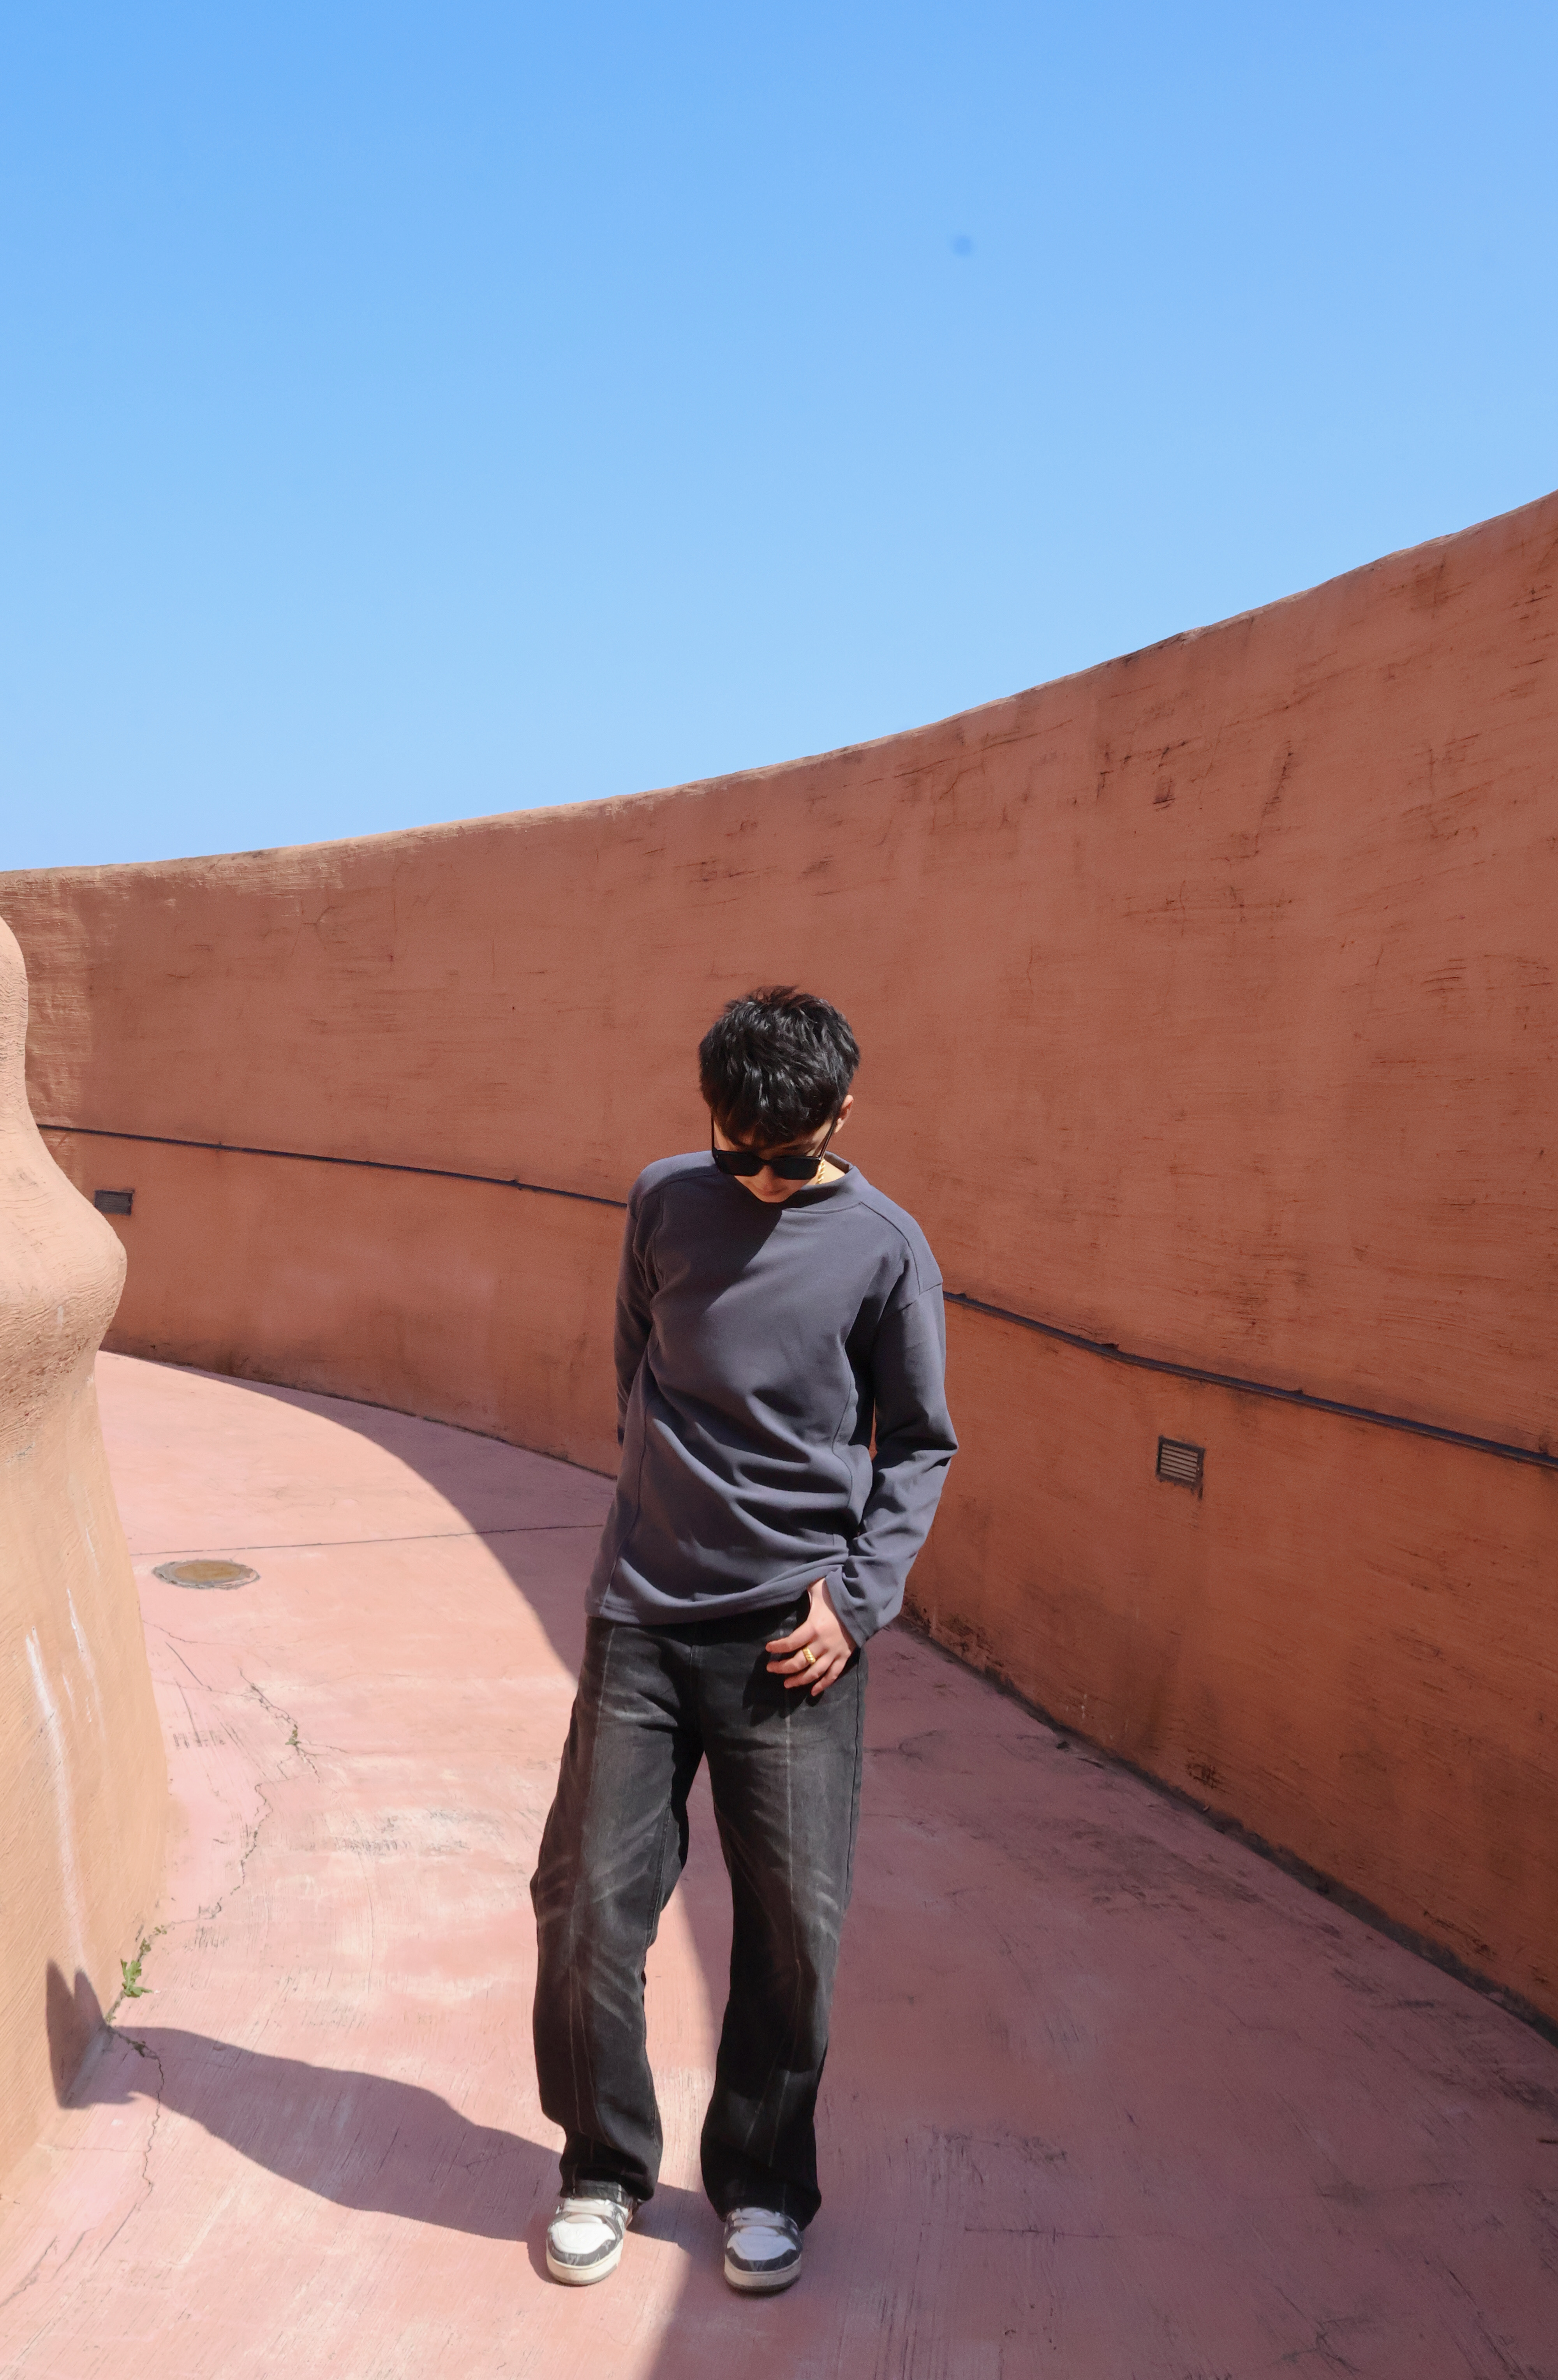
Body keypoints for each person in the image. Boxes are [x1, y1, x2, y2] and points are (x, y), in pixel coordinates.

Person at [530, 986, 957, 2294]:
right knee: (587, 1908)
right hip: (641, 1621)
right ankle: (603, 2167)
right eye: (740, 1153)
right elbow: (637, 1369)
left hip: (794, 1641)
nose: (762, 1180)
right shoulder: (665, 1201)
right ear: (709, 1115)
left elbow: (919, 1445)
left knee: (792, 1932)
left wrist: (854, 1602)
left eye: (790, 1157)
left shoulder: (888, 1249)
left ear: (844, 1116)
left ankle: (763, 2182)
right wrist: (664, 1506)